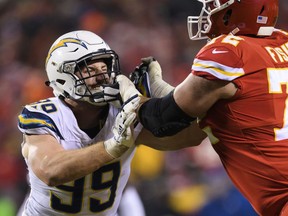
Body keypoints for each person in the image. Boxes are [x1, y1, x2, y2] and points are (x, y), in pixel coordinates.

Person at [115, 0, 288, 215]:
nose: (207, 14)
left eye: (213, 7)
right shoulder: (282, 42)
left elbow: (162, 120)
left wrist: (128, 93)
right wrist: (159, 87)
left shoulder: (230, 54)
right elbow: (193, 129)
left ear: (233, 12)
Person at [17, 30, 206, 216]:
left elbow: (190, 137)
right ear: (62, 75)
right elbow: (50, 171)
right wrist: (112, 146)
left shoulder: (123, 109)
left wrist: (165, 98)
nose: (102, 76)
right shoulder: (45, 115)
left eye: (104, 68)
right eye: (90, 69)